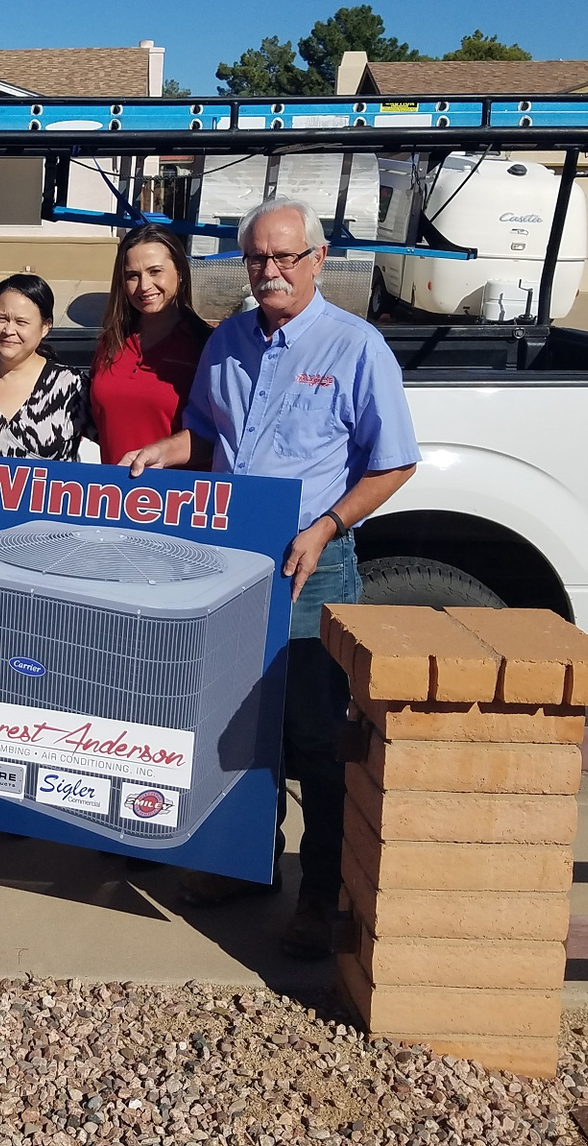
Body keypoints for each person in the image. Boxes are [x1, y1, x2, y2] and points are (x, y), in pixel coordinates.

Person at [122, 194, 419, 957]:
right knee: (235, 724)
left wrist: (327, 527)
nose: (271, 270)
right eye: (258, 257)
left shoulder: (355, 348)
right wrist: (166, 452)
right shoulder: (228, 343)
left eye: (287, 256)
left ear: (318, 260)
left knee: (316, 740)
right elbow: (207, 432)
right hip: (231, 562)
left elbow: (395, 463)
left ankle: (321, 894)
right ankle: (247, 866)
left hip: (307, 568)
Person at [89, 224, 211, 464]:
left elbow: (222, 438)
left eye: (155, 271)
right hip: (112, 494)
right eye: (132, 276)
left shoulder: (206, 346)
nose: (144, 286)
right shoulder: (110, 343)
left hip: (177, 497)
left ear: (180, 272)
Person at [0, 273, 90, 460]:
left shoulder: (73, 387)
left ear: (45, 327)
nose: (8, 330)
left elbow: (119, 438)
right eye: (1, 319)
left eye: (21, 322)